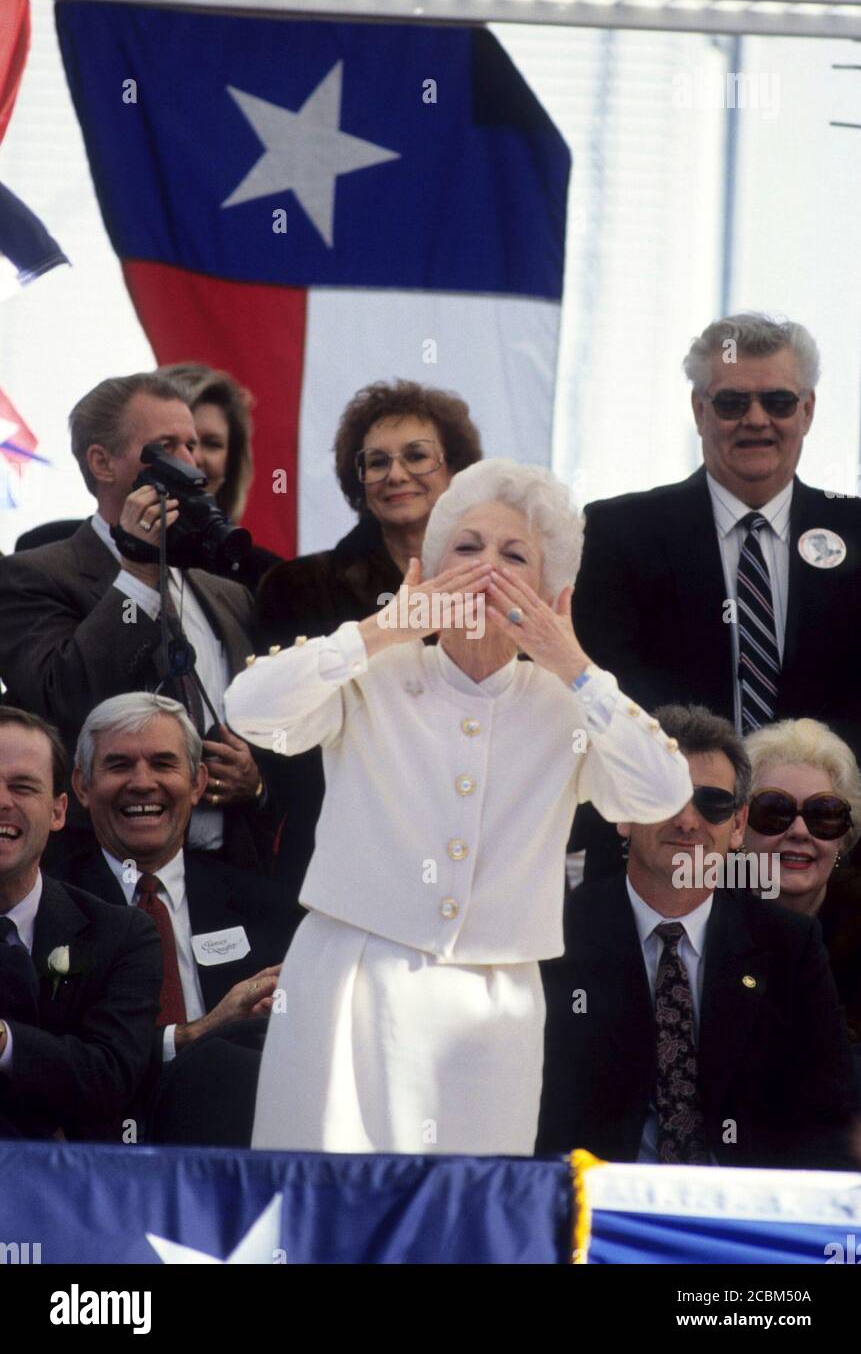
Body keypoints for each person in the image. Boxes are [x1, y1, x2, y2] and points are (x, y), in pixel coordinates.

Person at [226, 458, 693, 1156]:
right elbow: (250, 709)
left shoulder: (568, 703)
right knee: (327, 1207)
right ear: (429, 569)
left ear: (548, 590)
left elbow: (660, 792)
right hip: (348, 980)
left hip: (493, 1006)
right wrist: (382, 629)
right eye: (466, 548)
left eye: (513, 557)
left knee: (462, 1216)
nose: (485, 569)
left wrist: (573, 665)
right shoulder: (372, 672)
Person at [571, 313, 861, 878]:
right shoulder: (617, 532)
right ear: (699, 410)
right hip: (669, 852)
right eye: (732, 403)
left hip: (831, 866)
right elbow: (607, 701)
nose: (756, 420)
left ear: (808, 409)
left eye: (778, 401)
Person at [537, 705, 858, 1170]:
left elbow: (829, 1119)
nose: (688, 821)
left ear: (738, 826)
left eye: (713, 803)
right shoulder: (557, 935)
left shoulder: (790, 945)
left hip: (741, 1219)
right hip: (595, 1214)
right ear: (623, 812)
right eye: (665, 797)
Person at [0, 372, 279, 874]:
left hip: (224, 878)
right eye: (166, 447)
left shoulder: (228, 595)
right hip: (93, 884)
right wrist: (136, 572)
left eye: (193, 446)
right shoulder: (31, 577)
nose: (191, 465)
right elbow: (62, 699)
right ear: (102, 462)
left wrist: (255, 779)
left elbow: (271, 728)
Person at [256, 378, 484, 902]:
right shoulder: (299, 587)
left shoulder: (497, 584)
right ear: (358, 479)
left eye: (416, 456)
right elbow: (283, 738)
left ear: (454, 469)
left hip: (473, 850)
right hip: (342, 850)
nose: (395, 474)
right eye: (376, 462)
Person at [67, 693, 297, 1082]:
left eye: (163, 763)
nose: (142, 783)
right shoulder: (44, 907)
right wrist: (195, 1034)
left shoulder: (268, 909)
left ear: (197, 783)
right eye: (119, 765)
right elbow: (51, 1054)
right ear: (83, 785)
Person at [0, 708, 161, 1140]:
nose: (2, 801)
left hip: (66, 1191)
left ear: (58, 811)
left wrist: (3, 1042)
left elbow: (109, 1078)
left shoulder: (122, 935)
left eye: (22, 786)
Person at [744, 717, 861, 1044]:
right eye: (773, 811)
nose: (798, 831)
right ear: (738, 828)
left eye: (823, 814)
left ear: (843, 837)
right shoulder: (695, 928)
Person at [159, 361, 283, 593]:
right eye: (173, 443)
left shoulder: (268, 577)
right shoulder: (85, 554)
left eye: (211, 444)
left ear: (231, 464)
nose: (193, 458)